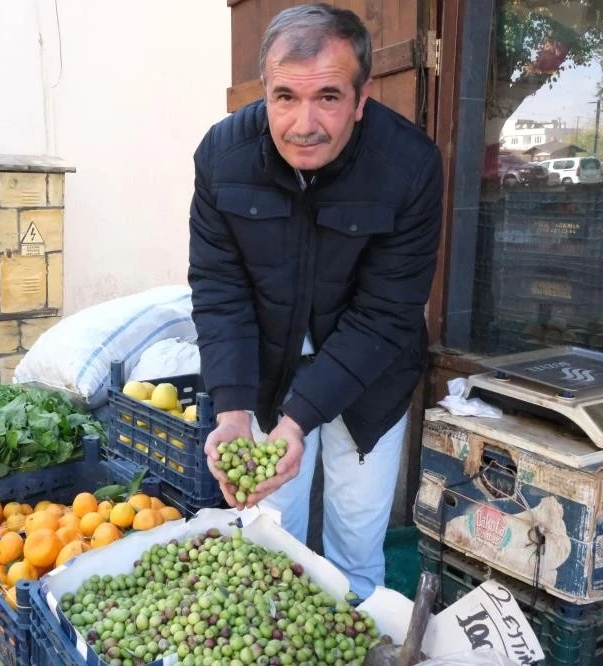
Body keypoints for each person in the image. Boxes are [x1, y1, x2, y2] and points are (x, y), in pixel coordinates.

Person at [187, 3, 443, 598]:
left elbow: (386, 313)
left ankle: (357, 633)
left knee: (356, 540)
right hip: (267, 375)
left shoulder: (409, 165)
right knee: (271, 539)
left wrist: (302, 419)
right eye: (285, 98)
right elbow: (219, 289)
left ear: (361, 97)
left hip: (369, 378)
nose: (304, 124)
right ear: (265, 91)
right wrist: (231, 410)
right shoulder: (222, 158)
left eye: (327, 97)